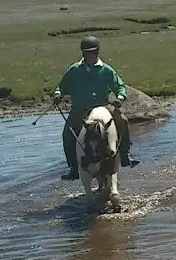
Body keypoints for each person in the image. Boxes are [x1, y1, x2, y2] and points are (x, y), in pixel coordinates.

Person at [52, 35, 137, 180]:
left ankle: (125, 156)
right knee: (67, 133)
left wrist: (120, 98)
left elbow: (119, 86)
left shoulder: (106, 70)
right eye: (87, 53)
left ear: (97, 52)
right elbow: (62, 86)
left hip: (102, 107)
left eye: (92, 53)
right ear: (83, 54)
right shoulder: (74, 70)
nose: (89, 56)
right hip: (80, 108)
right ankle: (74, 168)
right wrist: (58, 93)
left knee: (122, 120)